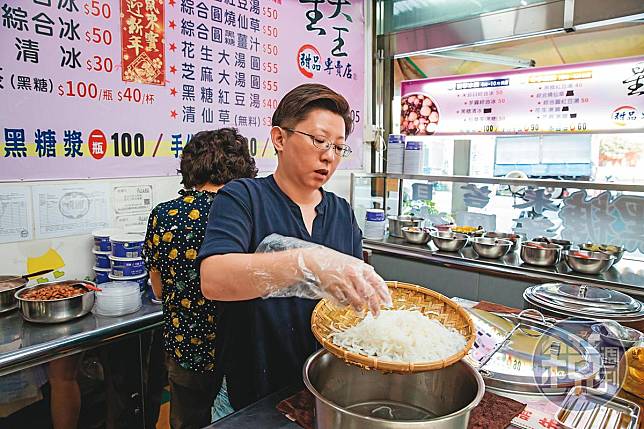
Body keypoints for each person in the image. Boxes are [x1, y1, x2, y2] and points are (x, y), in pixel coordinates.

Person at [198, 83, 391, 410]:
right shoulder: (243, 197)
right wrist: (308, 262)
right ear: (280, 138)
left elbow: (350, 301)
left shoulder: (342, 213)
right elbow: (213, 280)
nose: (329, 155)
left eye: (339, 147)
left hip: (327, 389)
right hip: (252, 390)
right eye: (319, 140)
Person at [143, 128, 258, 429]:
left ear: (190, 165)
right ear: (243, 167)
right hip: (238, 351)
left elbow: (157, 288)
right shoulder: (247, 213)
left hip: (186, 349)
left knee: (187, 421)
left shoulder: (163, 215)